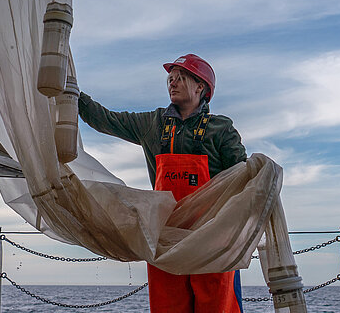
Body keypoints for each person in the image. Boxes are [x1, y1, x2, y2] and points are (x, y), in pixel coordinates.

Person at [78, 53, 247, 313]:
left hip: (211, 237)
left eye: (180, 78)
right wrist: (72, 94)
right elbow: (105, 119)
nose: (172, 83)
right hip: (165, 237)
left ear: (200, 87)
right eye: (170, 79)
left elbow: (242, 179)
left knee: (217, 305)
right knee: (169, 305)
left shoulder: (221, 129)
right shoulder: (152, 124)